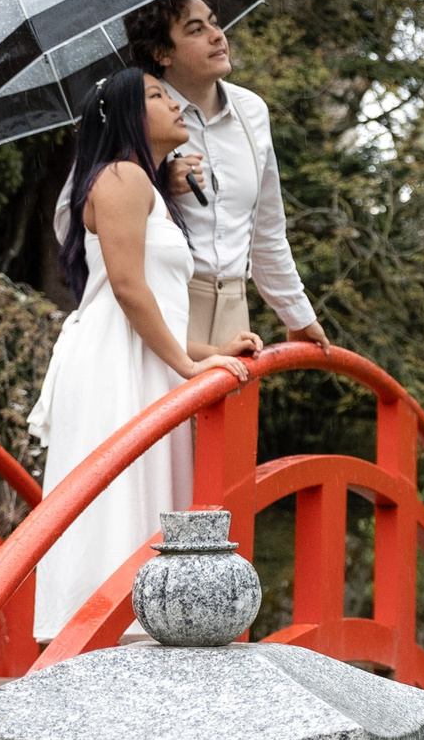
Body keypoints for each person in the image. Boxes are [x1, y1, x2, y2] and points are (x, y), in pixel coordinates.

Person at [29, 68, 259, 640]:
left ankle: (137, 636)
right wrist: (188, 366)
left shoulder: (142, 184)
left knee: (144, 501)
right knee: (117, 504)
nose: (175, 102)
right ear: (128, 114)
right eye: (158, 95)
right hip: (114, 366)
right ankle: (96, 638)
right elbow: (128, 290)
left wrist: (209, 349)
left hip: (140, 357)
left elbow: (151, 307)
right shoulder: (123, 178)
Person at [54, 0, 330, 353]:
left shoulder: (253, 111)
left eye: (215, 23)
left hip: (235, 312)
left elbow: (267, 233)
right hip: (166, 307)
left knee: (234, 410)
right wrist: (156, 186)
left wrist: (298, 316)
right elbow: (69, 219)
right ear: (161, 52)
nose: (218, 36)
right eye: (196, 30)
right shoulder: (137, 113)